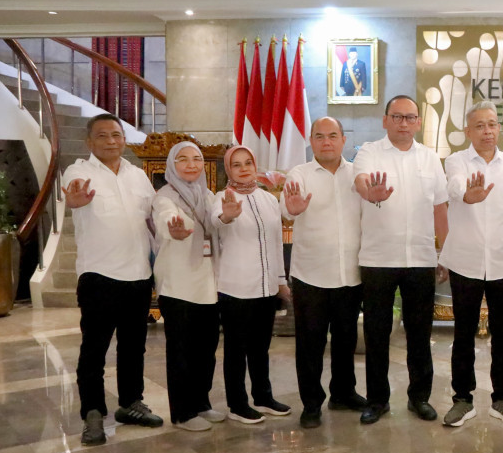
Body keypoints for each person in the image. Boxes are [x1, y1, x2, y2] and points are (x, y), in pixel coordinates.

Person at [64, 113, 162, 446]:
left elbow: (153, 219)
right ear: (89, 142)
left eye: (116, 135)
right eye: (102, 136)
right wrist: (74, 199)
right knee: (94, 349)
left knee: (134, 347)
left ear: (124, 139)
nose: (110, 141)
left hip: (138, 275)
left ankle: (130, 403)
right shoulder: (79, 171)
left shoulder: (138, 176)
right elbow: (72, 194)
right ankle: (92, 414)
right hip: (98, 276)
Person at [354, 95, 449, 424]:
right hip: (378, 258)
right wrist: (371, 193)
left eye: (410, 118)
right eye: (397, 117)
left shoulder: (430, 159)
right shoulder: (369, 152)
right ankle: (377, 401)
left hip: (421, 258)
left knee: (420, 333)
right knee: (377, 334)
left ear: (419, 122)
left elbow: (440, 208)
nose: (404, 123)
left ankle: (419, 397)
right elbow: (361, 181)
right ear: (385, 120)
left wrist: (445, 253)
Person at [439, 101, 503, 427]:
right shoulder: (456, 161)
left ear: (499, 128)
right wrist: (467, 194)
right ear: (468, 131)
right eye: (480, 125)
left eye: (492, 124)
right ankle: (462, 399)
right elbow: (453, 186)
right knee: (463, 334)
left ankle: (501, 399)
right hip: (464, 262)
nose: (487, 131)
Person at [283, 117, 367, 429]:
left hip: (349, 273)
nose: (327, 142)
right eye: (320, 136)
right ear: (311, 140)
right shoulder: (300, 174)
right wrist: (292, 209)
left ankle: (343, 393)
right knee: (310, 343)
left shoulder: (357, 174)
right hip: (311, 275)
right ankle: (311, 403)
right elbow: (285, 209)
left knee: (345, 340)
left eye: (333, 136)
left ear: (344, 140)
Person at [215, 146, 292, 424]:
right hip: (235, 287)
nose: (244, 168)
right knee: (236, 350)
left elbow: (275, 243)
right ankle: (237, 405)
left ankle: (263, 397)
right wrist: (227, 215)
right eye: (236, 165)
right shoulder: (221, 198)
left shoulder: (268, 199)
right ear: (228, 170)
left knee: (260, 348)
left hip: (266, 287)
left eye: (248, 162)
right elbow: (217, 223)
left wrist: (281, 282)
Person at [152, 141, 224, 432]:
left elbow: (220, 218)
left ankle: (201, 403)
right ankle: (182, 413)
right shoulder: (164, 196)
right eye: (183, 159)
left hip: (208, 283)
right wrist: (174, 226)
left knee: (206, 349)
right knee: (181, 350)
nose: (191, 164)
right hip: (178, 285)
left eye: (196, 159)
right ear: (172, 165)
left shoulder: (208, 195)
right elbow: (165, 216)